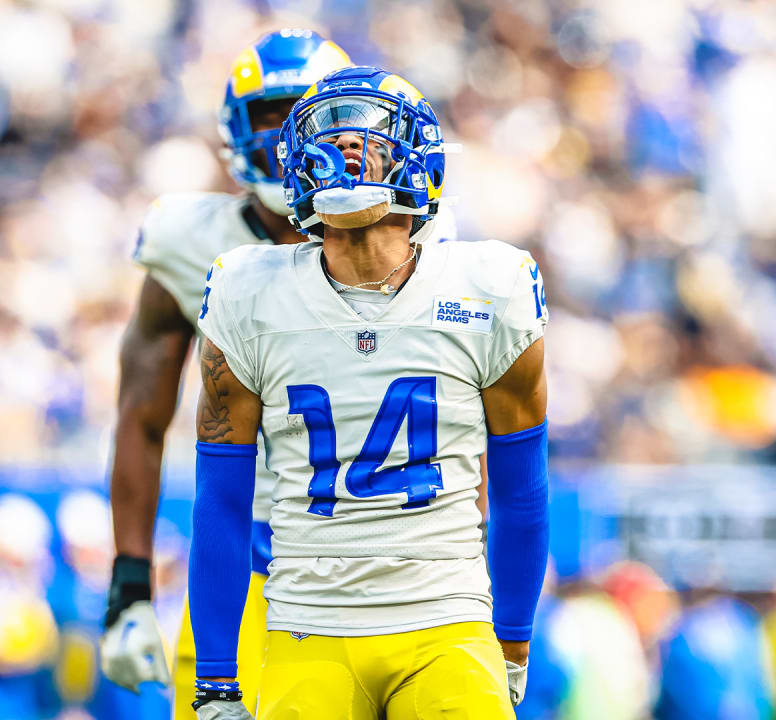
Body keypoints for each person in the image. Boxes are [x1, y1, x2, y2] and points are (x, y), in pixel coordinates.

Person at [185, 65, 549, 719]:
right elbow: (221, 497)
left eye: (371, 141)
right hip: (309, 624)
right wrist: (215, 676)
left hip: (446, 619)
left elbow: (522, 489)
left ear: (419, 164)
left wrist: (513, 639)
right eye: (328, 138)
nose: (347, 152)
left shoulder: (489, 285)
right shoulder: (248, 291)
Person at [98, 28, 354, 717]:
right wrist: (128, 586)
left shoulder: (406, 242)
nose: (283, 136)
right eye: (266, 118)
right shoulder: (188, 243)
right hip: (245, 570)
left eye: (300, 113)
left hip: (375, 563)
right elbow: (141, 419)